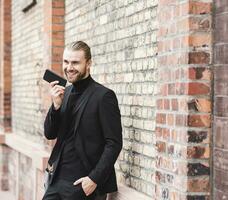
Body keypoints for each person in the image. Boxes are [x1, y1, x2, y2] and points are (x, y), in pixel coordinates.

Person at [42, 41, 122, 200]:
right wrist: (56, 106)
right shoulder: (64, 93)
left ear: (89, 63)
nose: (69, 67)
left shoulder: (104, 96)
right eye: (66, 62)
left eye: (75, 62)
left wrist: (94, 179)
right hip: (56, 180)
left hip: (83, 185)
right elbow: (50, 134)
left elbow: (113, 143)